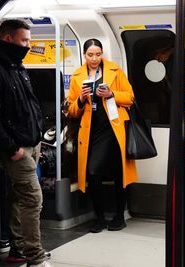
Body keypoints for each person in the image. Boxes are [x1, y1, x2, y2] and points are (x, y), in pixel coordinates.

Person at [0, 19, 51, 267]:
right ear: (9, 39)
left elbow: (30, 106)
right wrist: (13, 150)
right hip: (17, 149)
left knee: (18, 198)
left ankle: (18, 248)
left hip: (32, 145)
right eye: (24, 40)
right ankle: (35, 256)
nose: (28, 45)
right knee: (34, 199)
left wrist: (39, 138)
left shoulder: (18, 68)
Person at [66, 38, 138, 233]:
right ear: (84, 55)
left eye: (98, 54)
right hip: (92, 131)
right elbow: (71, 110)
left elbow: (130, 97)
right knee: (93, 173)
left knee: (118, 173)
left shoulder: (115, 70)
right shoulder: (77, 76)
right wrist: (81, 99)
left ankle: (119, 217)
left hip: (115, 128)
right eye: (90, 55)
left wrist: (111, 93)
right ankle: (99, 217)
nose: (95, 58)